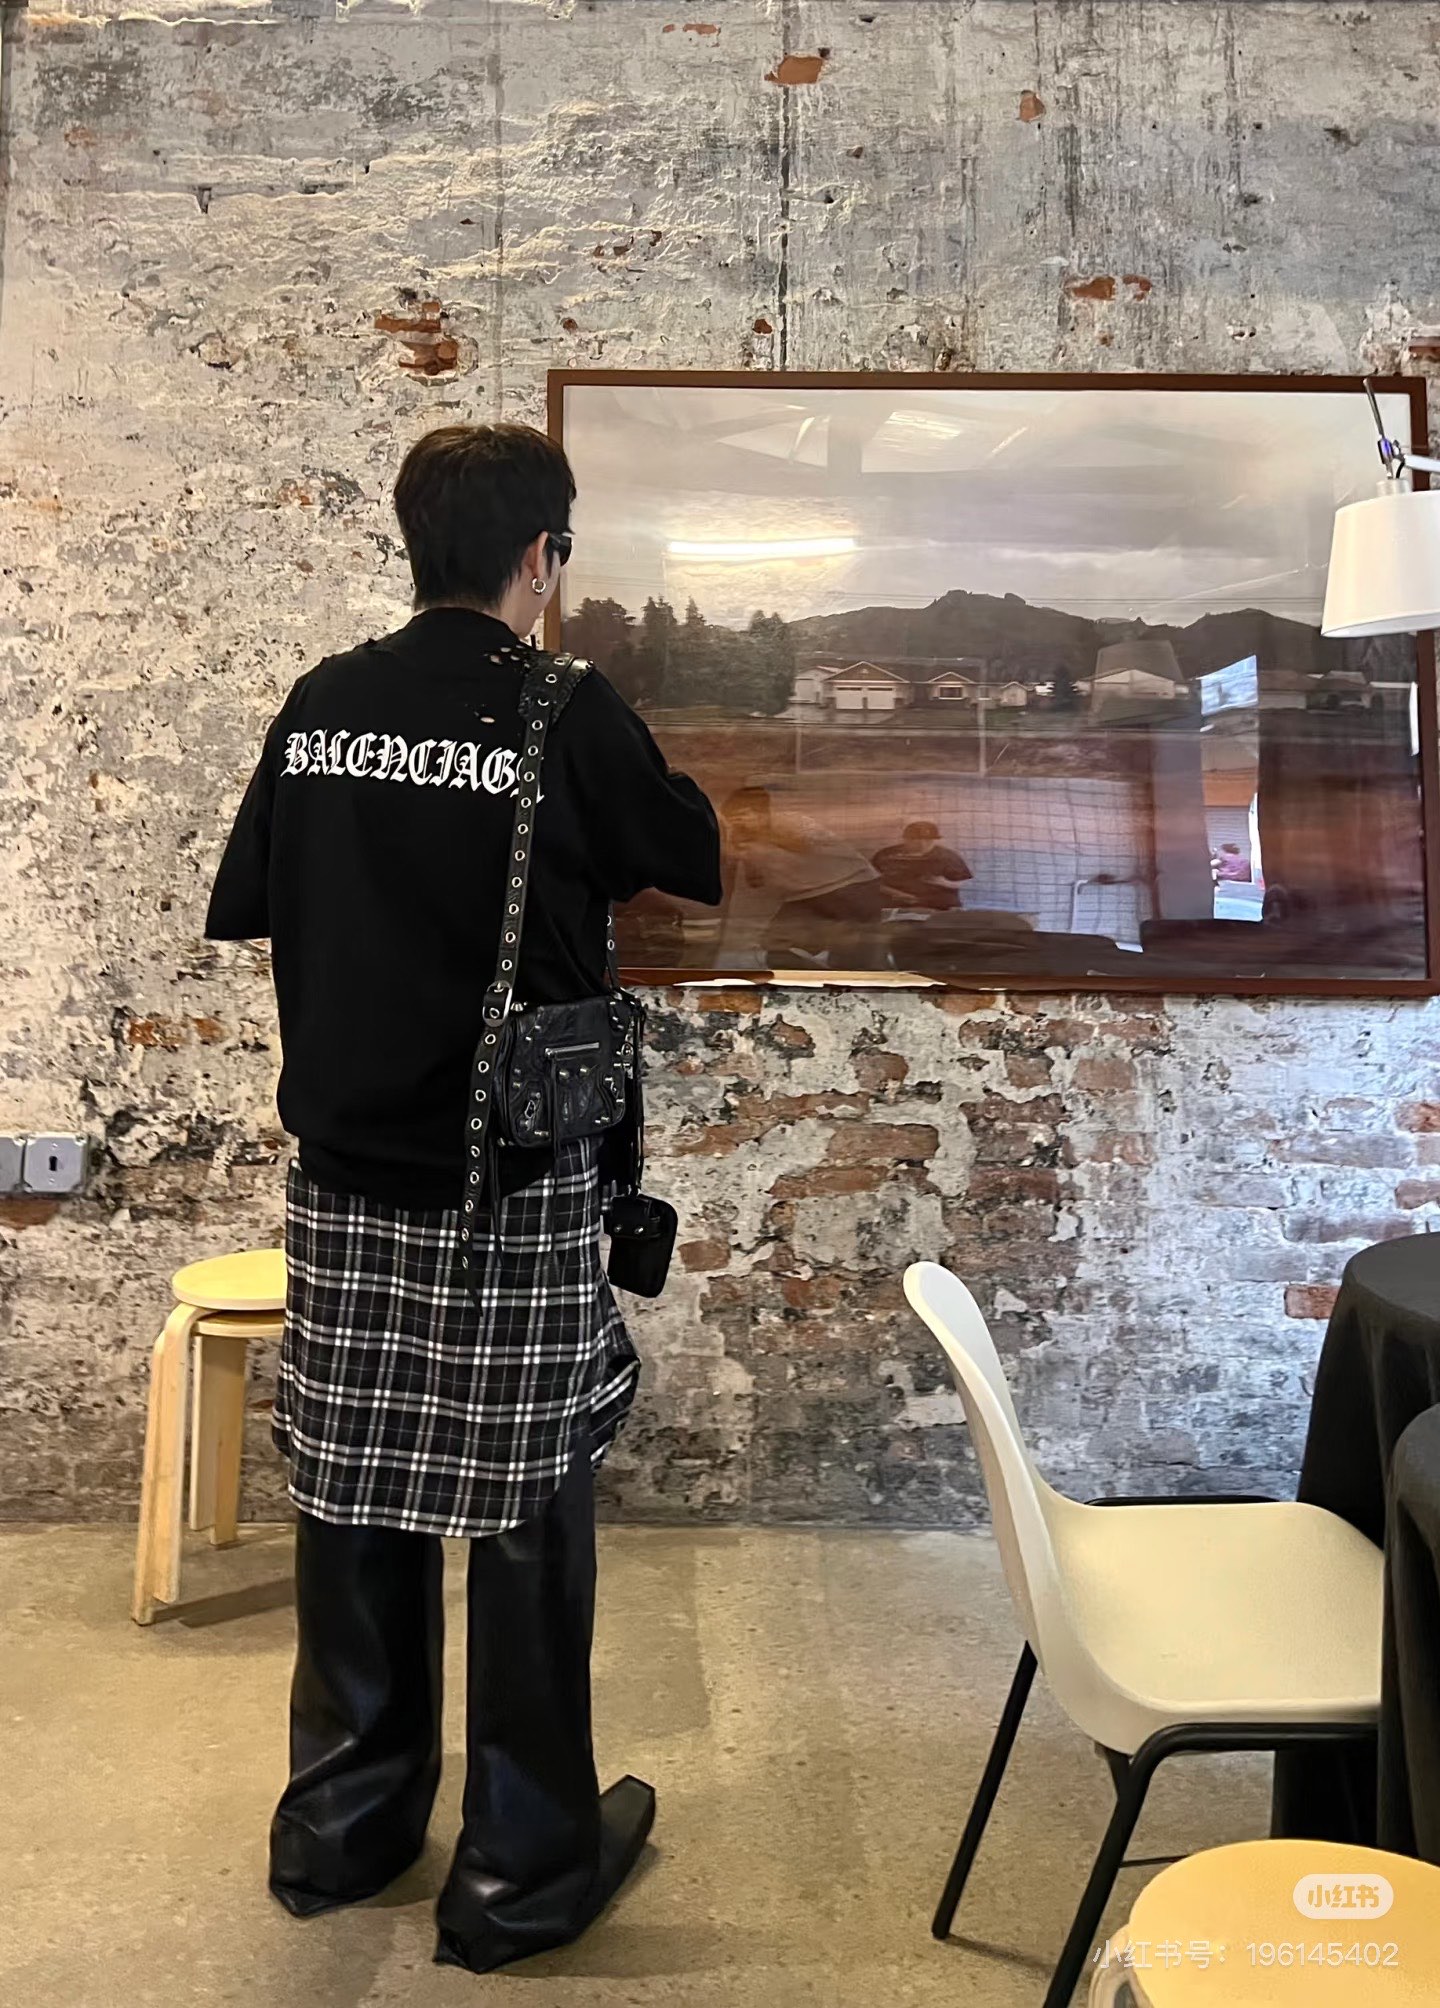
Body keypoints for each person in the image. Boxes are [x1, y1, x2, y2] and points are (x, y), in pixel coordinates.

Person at [204, 423, 722, 1972]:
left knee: (351, 1486)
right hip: (513, 1178)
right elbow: (687, 852)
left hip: (347, 1171)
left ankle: (341, 1829)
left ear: (413, 539)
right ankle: (518, 1872)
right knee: (524, 1498)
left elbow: (259, 900)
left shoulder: (322, 704)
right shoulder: (562, 706)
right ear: (542, 555)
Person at [870, 820, 973, 911]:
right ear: (906, 839)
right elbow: (870, 881)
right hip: (894, 904)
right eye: (916, 840)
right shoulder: (886, 855)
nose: (922, 845)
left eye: (928, 841)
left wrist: (944, 883)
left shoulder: (948, 857)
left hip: (937, 906)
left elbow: (965, 883)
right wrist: (895, 893)